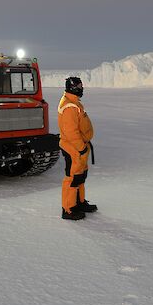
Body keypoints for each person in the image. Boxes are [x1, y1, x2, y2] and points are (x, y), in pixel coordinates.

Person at [58, 77, 96, 220]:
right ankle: (68, 209)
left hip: (79, 147)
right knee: (72, 178)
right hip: (73, 147)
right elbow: (71, 132)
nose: (82, 88)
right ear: (73, 87)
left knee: (80, 176)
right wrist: (81, 148)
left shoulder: (74, 102)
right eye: (79, 86)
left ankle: (79, 203)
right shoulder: (69, 106)